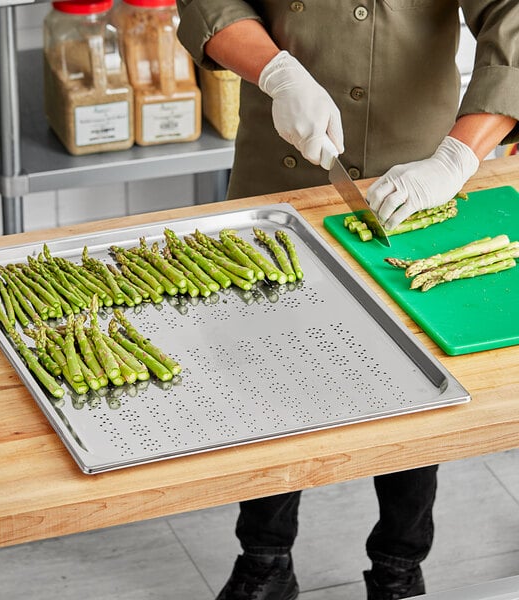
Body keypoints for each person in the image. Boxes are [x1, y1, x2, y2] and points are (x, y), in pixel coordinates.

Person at [176, 2, 519, 599]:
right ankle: (264, 559)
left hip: (419, 174)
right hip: (283, 166)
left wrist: (457, 157)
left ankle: (399, 568)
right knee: (268, 379)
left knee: (420, 383)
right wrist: (277, 71)